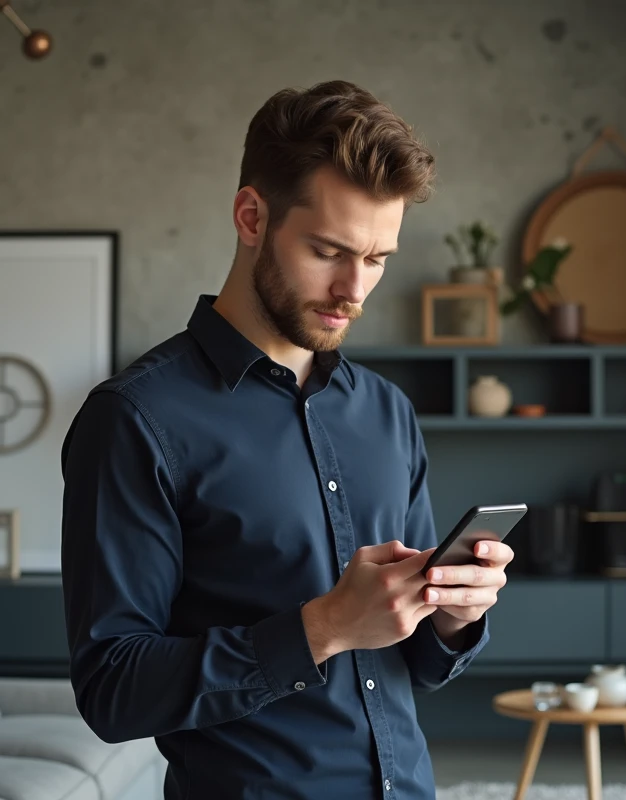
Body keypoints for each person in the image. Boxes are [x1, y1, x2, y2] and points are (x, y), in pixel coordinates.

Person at [59, 79, 514, 800]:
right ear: (251, 215)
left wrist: (456, 616)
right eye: (329, 251)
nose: (354, 291)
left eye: (377, 259)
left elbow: (419, 665)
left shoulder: (387, 413)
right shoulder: (134, 420)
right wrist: (322, 627)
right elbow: (113, 690)